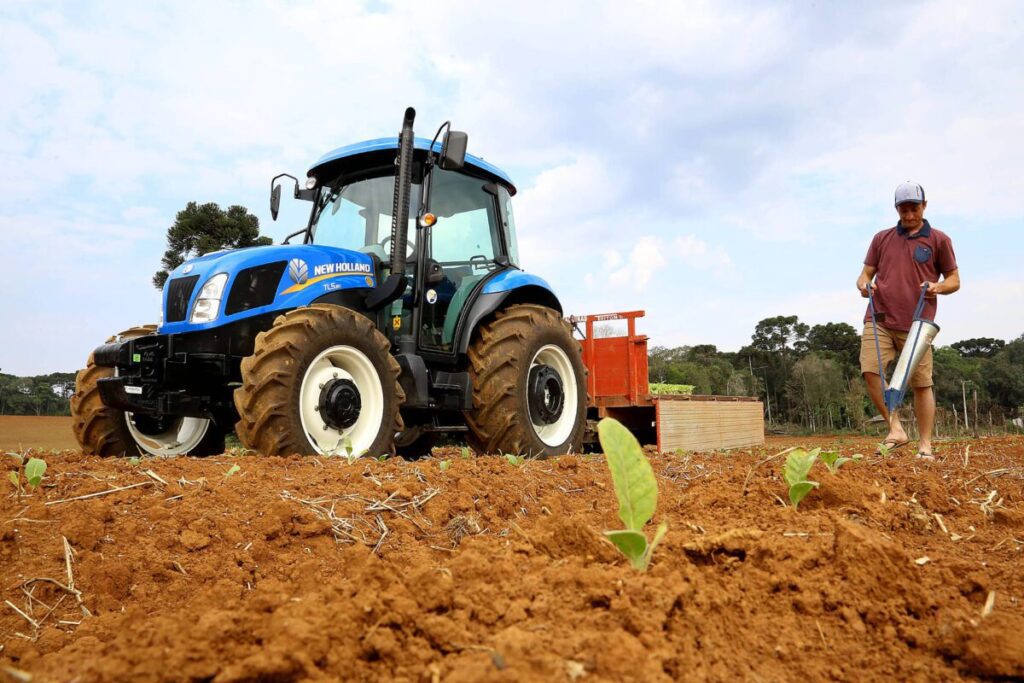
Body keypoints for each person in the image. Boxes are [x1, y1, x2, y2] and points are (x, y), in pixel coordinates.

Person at [856, 182, 960, 459]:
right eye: (903, 209)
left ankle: (925, 446)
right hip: (879, 316)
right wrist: (865, 285)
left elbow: (954, 280)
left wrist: (938, 287)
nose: (909, 214)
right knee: (870, 369)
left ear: (924, 206)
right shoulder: (882, 238)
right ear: (896, 209)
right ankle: (896, 429)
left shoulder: (939, 240)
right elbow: (864, 275)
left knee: (922, 384)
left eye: (914, 208)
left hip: (918, 323)